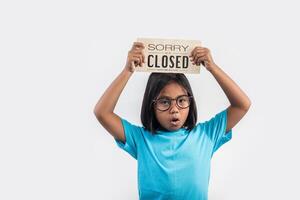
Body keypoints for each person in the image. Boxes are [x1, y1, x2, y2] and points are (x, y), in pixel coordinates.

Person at [93, 41, 251, 199]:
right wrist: (127, 70)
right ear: (151, 106)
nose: (174, 109)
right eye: (164, 102)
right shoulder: (140, 139)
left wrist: (212, 67)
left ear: (191, 102)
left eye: (181, 100)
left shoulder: (206, 134)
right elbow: (102, 113)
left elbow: (242, 105)